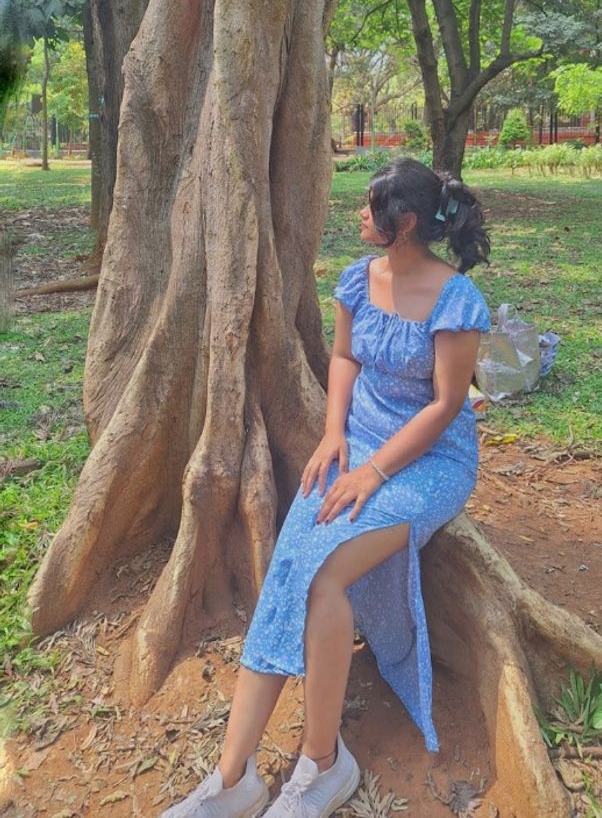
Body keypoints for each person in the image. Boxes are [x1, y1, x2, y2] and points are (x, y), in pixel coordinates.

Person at [161, 157, 491, 818]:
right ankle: (234, 777)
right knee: (290, 564)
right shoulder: (356, 281)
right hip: (355, 443)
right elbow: (342, 357)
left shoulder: (457, 299)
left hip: (428, 462)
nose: (357, 215)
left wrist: (374, 471)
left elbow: (446, 404)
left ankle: (324, 763)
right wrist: (334, 432)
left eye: (370, 207)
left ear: (403, 223)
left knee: (323, 577)